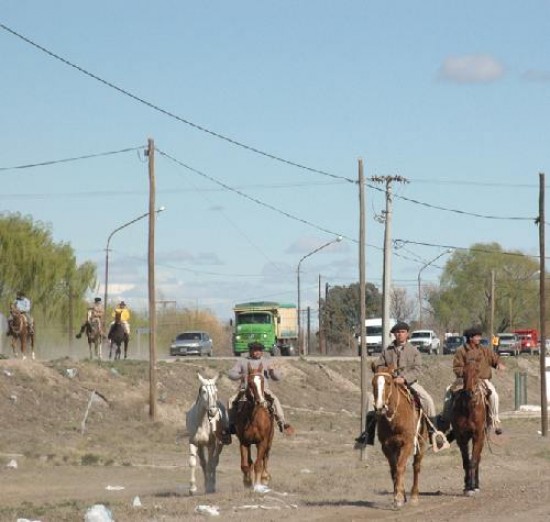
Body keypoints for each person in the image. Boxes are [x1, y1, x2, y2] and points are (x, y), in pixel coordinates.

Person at [355, 321, 448, 451]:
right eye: (397, 332)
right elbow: (379, 366)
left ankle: (434, 434)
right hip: (389, 384)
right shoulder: (387, 351)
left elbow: (417, 369)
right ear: (394, 334)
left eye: (402, 332)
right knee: (371, 400)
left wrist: (404, 379)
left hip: (410, 384)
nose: (400, 334)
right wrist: (386, 373)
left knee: (428, 400)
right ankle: (368, 435)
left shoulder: (413, 350)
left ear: (407, 334)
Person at [438, 326, 506, 439]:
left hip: (482, 380)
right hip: (464, 379)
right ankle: (445, 419)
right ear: (470, 338)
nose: (479, 338)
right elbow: (456, 367)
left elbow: (495, 358)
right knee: (448, 393)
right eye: (477, 336)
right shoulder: (461, 351)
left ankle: (495, 420)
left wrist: (499, 364)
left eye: (479, 336)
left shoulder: (484, 350)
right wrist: (466, 374)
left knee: (494, 395)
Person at [225, 342, 294, 438]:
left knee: (275, 400)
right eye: (255, 350)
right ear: (250, 351)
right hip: (245, 389)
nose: (257, 352)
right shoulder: (242, 361)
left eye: (259, 350)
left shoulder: (267, 362)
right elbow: (231, 373)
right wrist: (240, 375)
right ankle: (231, 424)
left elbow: (277, 377)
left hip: (263, 389)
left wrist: (272, 371)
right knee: (231, 401)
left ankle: (282, 423)